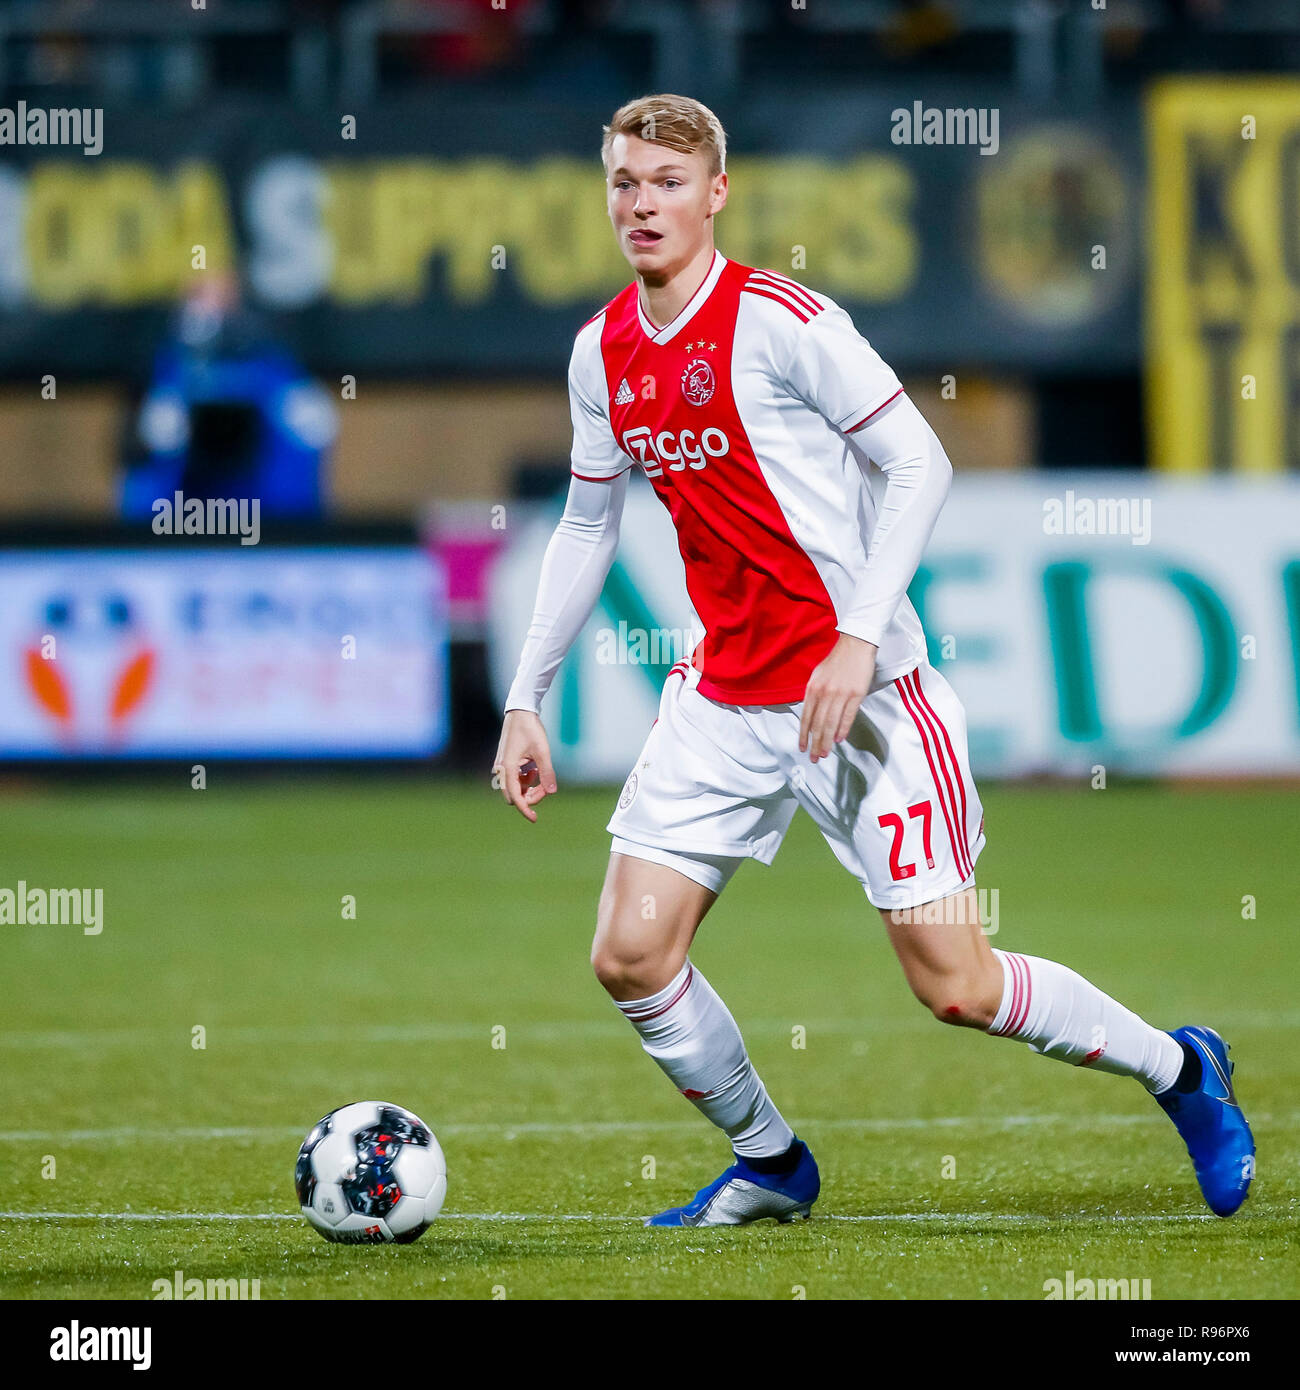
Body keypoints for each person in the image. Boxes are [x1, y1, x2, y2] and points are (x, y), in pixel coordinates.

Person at [494, 93, 1254, 1227]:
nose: (641, 204)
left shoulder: (783, 320)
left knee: (957, 986)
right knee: (629, 953)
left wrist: (854, 634)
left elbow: (919, 463)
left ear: (715, 192)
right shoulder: (601, 352)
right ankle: (772, 1161)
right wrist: (526, 699)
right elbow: (587, 524)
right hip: (722, 696)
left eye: (664, 181)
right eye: (622, 182)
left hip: (866, 699)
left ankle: (1182, 1071)